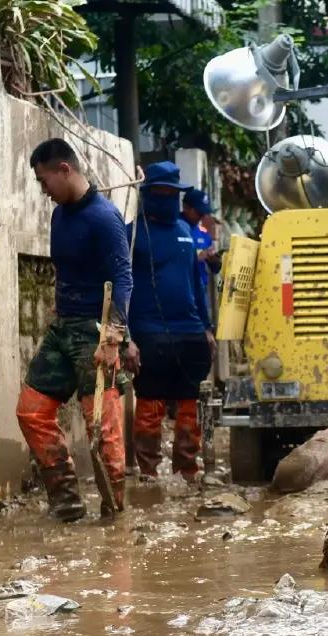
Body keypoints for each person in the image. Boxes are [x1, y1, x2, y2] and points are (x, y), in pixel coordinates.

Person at [17, 138, 132, 521]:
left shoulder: (104, 217)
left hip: (95, 332)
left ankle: (114, 514)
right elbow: (66, 269)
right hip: (62, 327)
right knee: (31, 411)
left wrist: (113, 339)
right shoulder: (59, 215)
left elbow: (124, 278)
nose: (42, 189)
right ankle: (66, 500)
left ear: (64, 169)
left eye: (43, 179)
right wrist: (57, 302)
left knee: (102, 427)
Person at [124, 162, 214, 483]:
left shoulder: (185, 232)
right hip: (149, 336)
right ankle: (149, 476)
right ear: (146, 194)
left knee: (189, 408)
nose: (166, 200)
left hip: (190, 335)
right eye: (159, 193)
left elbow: (196, 284)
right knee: (149, 405)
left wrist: (207, 329)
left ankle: (187, 475)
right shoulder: (130, 234)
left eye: (172, 194)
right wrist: (126, 337)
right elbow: (119, 288)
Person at [182, 188, 222, 285]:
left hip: (200, 289)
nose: (202, 217)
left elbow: (215, 269)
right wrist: (195, 257)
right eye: (199, 212)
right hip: (182, 287)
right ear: (186, 207)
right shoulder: (175, 228)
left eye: (204, 213)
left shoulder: (204, 234)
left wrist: (214, 260)